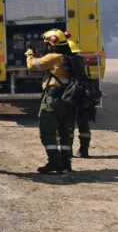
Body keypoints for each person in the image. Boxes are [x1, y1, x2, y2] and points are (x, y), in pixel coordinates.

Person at [26, 29, 75, 173]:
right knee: (64, 133)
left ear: (51, 44)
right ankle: (66, 163)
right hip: (68, 99)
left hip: (53, 100)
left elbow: (32, 65)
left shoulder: (54, 57)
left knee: (47, 132)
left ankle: (54, 162)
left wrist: (29, 53)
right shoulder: (69, 56)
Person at [68, 38, 94, 158]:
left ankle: (67, 151)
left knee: (68, 124)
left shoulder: (65, 61)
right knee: (84, 124)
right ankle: (84, 150)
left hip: (71, 96)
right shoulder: (80, 60)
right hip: (84, 95)